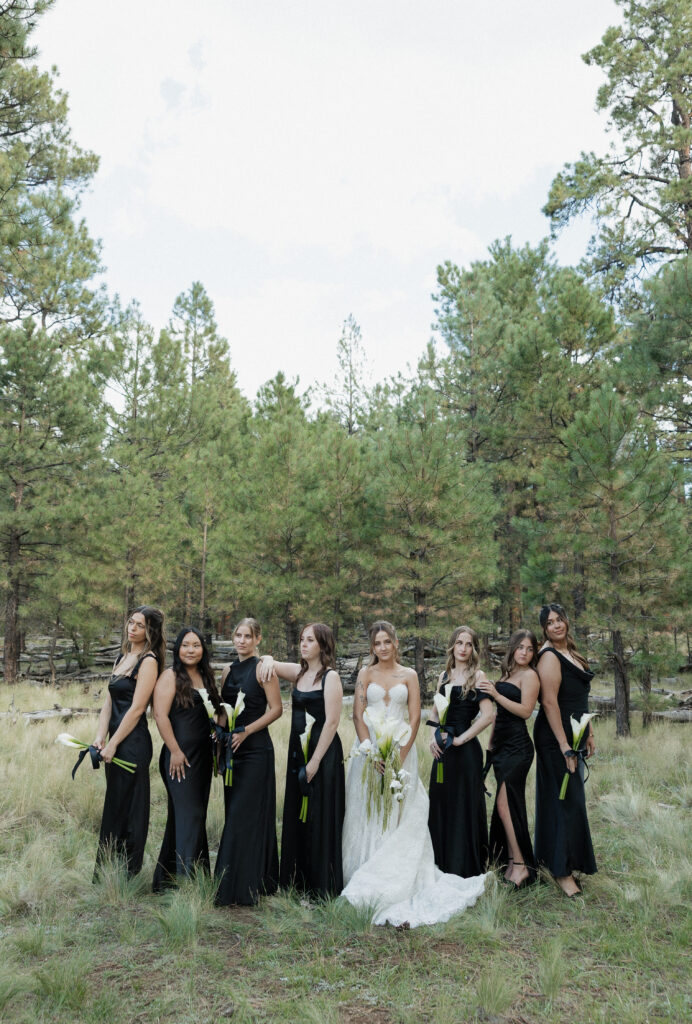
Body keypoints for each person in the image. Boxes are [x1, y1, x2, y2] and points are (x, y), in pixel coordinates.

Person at [341, 620, 487, 927]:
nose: (382, 647)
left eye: (387, 642)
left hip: (399, 750)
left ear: (396, 643)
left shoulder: (409, 675)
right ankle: (363, 870)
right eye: (377, 643)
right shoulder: (365, 674)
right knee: (364, 812)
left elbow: (416, 716)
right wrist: (370, 751)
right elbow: (357, 714)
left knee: (395, 812)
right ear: (373, 647)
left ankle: (393, 876)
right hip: (368, 753)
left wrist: (398, 757)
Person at [261, 623, 345, 899]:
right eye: (301, 639)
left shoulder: (330, 677)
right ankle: (297, 882)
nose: (303, 644)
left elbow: (332, 722)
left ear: (323, 644)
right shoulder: (300, 673)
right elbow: (271, 662)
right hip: (298, 752)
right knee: (298, 814)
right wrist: (267, 659)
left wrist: (316, 761)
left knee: (319, 816)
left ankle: (321, 886)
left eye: (310, 640)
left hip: (322, 755)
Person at [94, 605, 166, 877]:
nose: (132, 628)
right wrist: (101, 738)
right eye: (130, 622)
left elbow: (137, 709)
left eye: (139, 625)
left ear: (150, 631)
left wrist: (114, 745)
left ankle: (128, 874)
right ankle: (107, 872)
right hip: (114, 740)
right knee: (115, 803)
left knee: (130, 806)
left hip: (133, 743)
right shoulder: (122, 657)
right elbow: (108, 704)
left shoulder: (148, 661)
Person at [214, 617, 282, 906]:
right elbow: (223, 709)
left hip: (255, 750)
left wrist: (246, 731)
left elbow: (277, 709)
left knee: (245, 816)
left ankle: (238, 887)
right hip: (232, 750)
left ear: (258, 639)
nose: (241, 640)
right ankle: (256, 876)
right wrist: (219, 731)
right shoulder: (227, 670)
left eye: (247, 636)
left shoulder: (264, 669)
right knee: (234, 813)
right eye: (238, 635)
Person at [534, 604, 597, 897]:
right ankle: (560, 872)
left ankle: (568, 861)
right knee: (562, 800)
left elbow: (578, 697)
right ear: (544, 629)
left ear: (567, 621)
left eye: (560, 619)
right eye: (550, 622)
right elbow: (549, 703)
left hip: (575, 734)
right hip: (555, 739)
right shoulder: (548, 657)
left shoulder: (572, 652)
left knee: (574, 800)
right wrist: (564, 747)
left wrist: (588, 732)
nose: (557, 625)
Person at [152, 627, 221, 891]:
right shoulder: (170, 676)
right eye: (185, 645)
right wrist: (176, 751)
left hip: (203, 759)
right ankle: (187, 883)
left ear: (203, 649)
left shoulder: (206, 676)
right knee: (189, 815)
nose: (190, 650)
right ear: (177, 649)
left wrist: (220, 730)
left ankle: (167, 879)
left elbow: (216, 714)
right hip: (178, 758)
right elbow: (160, 715)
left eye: (196, 645)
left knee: (190, 816)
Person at [428, 626, 494, 879]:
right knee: (442, 802)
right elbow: (435, 712)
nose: (463, 648)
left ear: (474, 648)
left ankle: (465, 866)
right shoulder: (444, 676)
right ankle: (441, 863)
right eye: (459, 643)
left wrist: (460, 740)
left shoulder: (478, 676)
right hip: (442, 752)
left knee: (464, 806)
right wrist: (432, 737)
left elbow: (488, 716)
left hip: (465, 753)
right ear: (452, 647)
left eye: (468, 644)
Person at [477, 630, 539, 888]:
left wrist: (496, 693)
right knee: (505, 806)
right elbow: (498, 714)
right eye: (520, 647)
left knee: (505, 805)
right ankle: (512, 862)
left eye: (530, 649)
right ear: (512, 649)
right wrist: (490, 746)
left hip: (519, 748)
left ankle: (522, 866)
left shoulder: (530, 676)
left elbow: (525, 712)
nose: (524, 652)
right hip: (501, 748)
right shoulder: (508, 675)